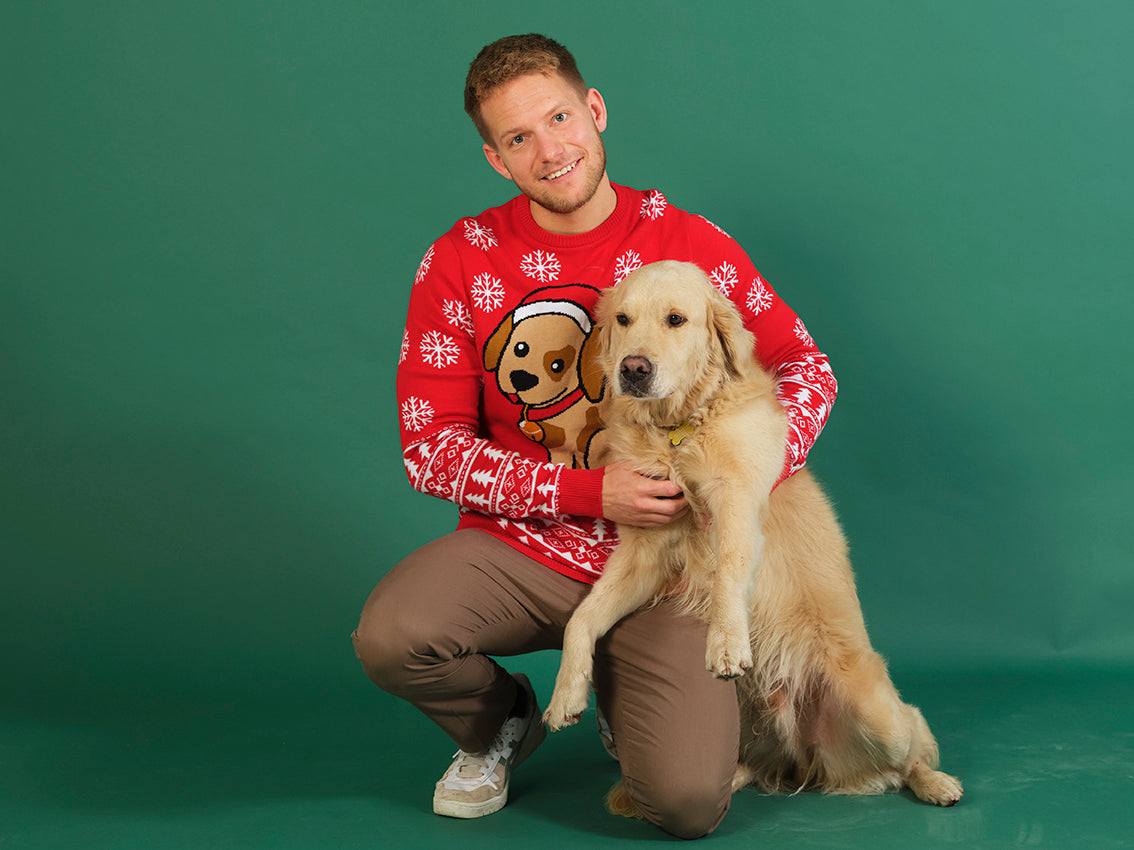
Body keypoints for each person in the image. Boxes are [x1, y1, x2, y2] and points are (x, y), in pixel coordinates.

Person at [353, 33, 837, 839]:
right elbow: (429, 448)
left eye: (559, 118)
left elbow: (805, 368)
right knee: (393, 637)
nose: (549, 150)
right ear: (494, 158)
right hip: (523, 547)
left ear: (595, 110)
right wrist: (582, 490)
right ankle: (498, 724)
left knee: (685, 804)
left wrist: (747, 476)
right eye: (519, 138)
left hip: (667, 561)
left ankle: (627, 690)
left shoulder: (690, 244)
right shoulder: (460, 261)